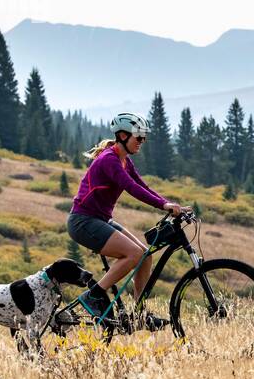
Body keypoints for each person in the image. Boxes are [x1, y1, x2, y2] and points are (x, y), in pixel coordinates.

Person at [66, 112, 184, 326]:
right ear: (122, 135)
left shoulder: (124, 160)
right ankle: (93, 296)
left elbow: (142, 185)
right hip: (83, 222)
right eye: (139, 138)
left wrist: (168, 203)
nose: (142, 142)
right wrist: (163, 205)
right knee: (134, 253)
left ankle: (139, 314)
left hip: (100, 220)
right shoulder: (109, 160)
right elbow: (131, 188)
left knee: (145, 256)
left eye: (144, 139)